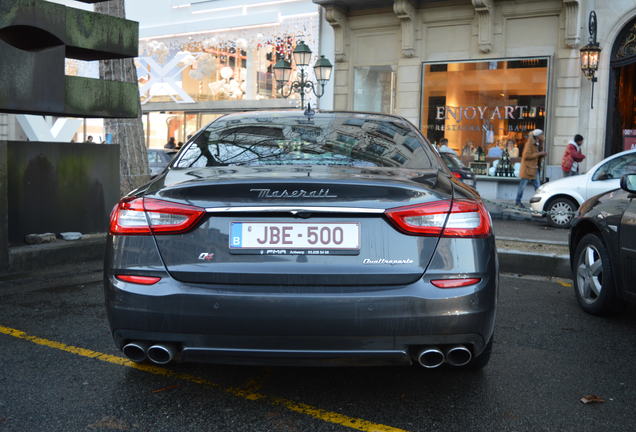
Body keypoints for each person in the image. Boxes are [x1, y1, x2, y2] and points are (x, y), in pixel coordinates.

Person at [515, 129, 547, 207]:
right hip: (527, 169)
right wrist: (539, 153)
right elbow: (526, 156)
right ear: (537, 136)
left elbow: (536, 156)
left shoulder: (537, 143)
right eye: (542, 135)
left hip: (534, 168)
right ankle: (517, 202)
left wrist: (541, 154)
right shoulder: (529, 144)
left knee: (538, 187)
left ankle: (539, 203)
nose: (543, 136)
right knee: (522, 187)